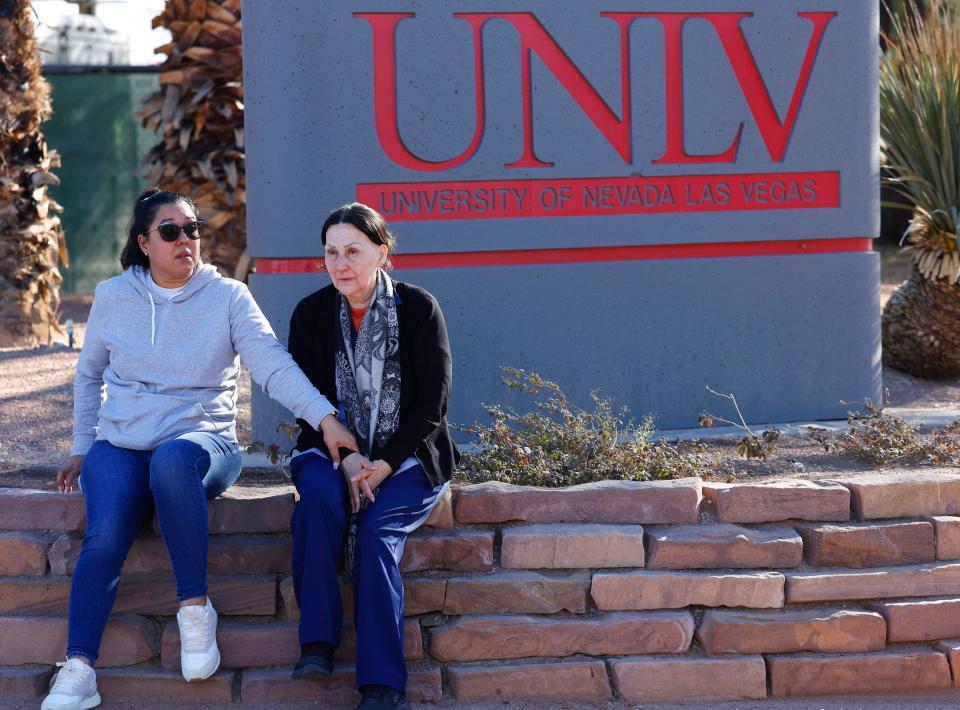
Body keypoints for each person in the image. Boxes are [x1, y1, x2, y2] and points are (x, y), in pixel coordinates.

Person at [41, 188, 357, 710]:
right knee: (103, 538)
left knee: (171, 461)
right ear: (144, 242)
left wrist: (325, 418)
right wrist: (81, 446)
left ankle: (194, 609)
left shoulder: (229, 296)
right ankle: (79, 668)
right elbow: (89, 374)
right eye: (171, 231)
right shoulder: (114, 296)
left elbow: (272, 365)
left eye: (193, 229)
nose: (186, 240)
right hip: (121, 443)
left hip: (203, 442)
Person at [286, 203, 457, 710]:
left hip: (407, 457)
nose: (340, 264)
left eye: (353, 252)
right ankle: (316, 644)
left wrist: (382, 463)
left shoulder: (418, 309)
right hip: (330, 450)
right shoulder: (311, 314)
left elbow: (434, 402)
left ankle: (383, 686)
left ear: (382, 254)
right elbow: (306, 403)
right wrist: (348, 460)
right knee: (318, 502)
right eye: (331, 253)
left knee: (380, 533)